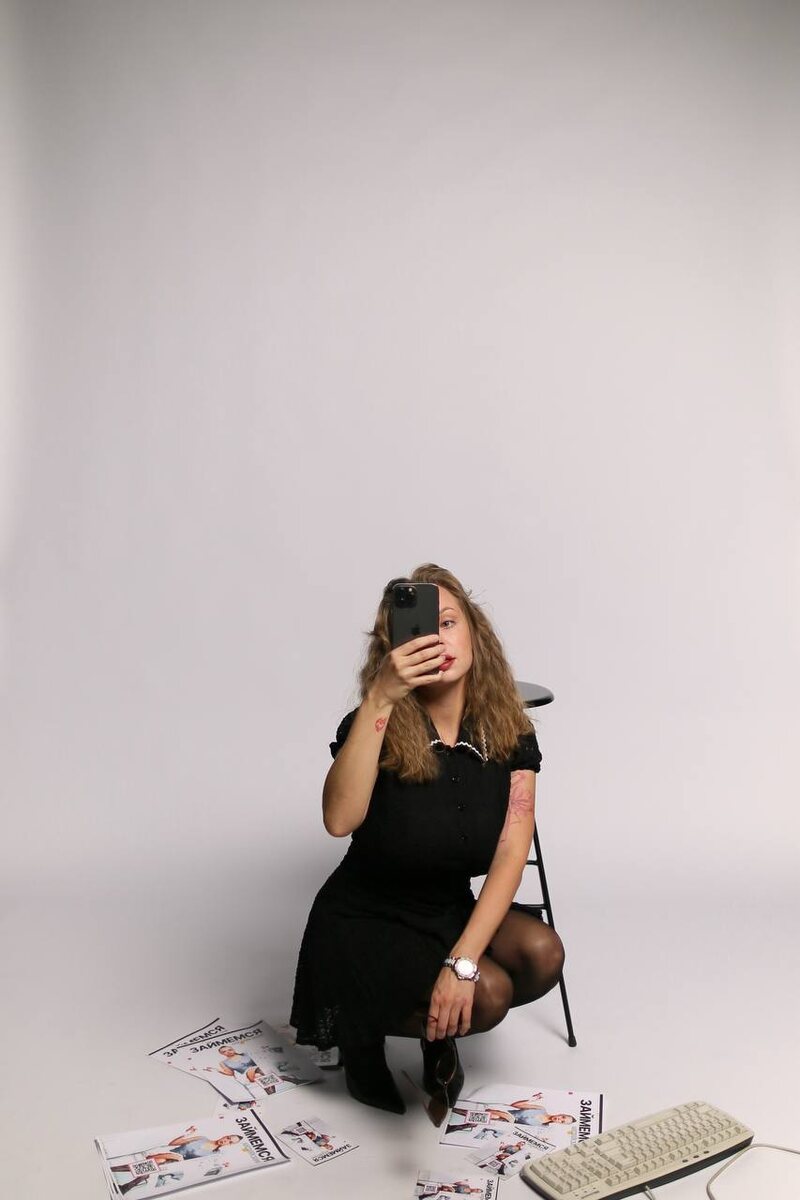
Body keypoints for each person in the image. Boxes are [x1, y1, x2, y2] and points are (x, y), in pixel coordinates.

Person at [289, 564, 565, 1115]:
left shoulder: (510, 731)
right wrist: (380, 699)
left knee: (541, 953)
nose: (437, 639)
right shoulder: (373, 720)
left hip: (445, 906)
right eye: (421, 628)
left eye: (449, 622)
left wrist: (460, 962)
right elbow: (338, 820)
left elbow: (512, 850)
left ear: (475, 633)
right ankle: (361, 1037)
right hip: (366, 919)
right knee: (490, 993)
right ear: (394, 648)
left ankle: (437, 1027)